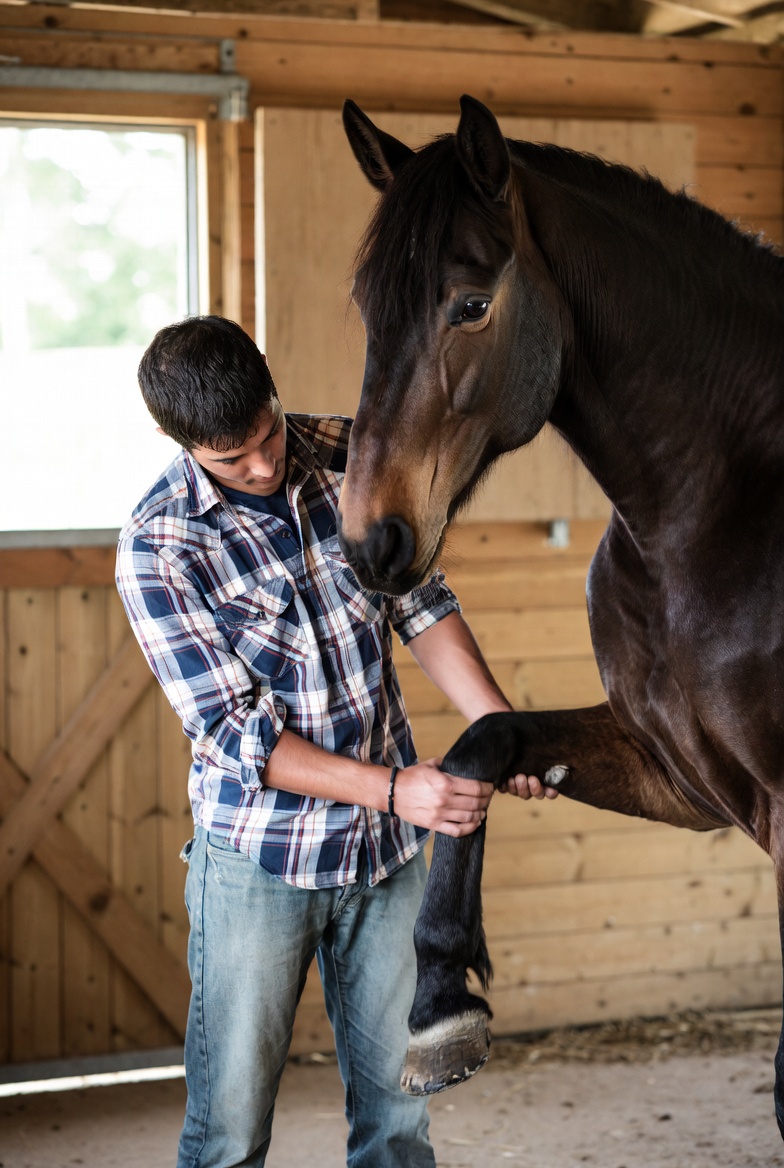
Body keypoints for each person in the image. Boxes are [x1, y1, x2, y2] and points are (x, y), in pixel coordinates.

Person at [116, 315, 556, 1168]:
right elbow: (241, 737)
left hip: (385, 854)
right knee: (229, 1131)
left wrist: (504, 733)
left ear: (273, 390)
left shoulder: (347, 452)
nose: (262, 464)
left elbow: (419, 604)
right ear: (180, 444)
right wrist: (399, 790)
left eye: (266, 433)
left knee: (399, 1118)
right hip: (259, 860)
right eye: (230, 458)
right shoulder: (160, 544)